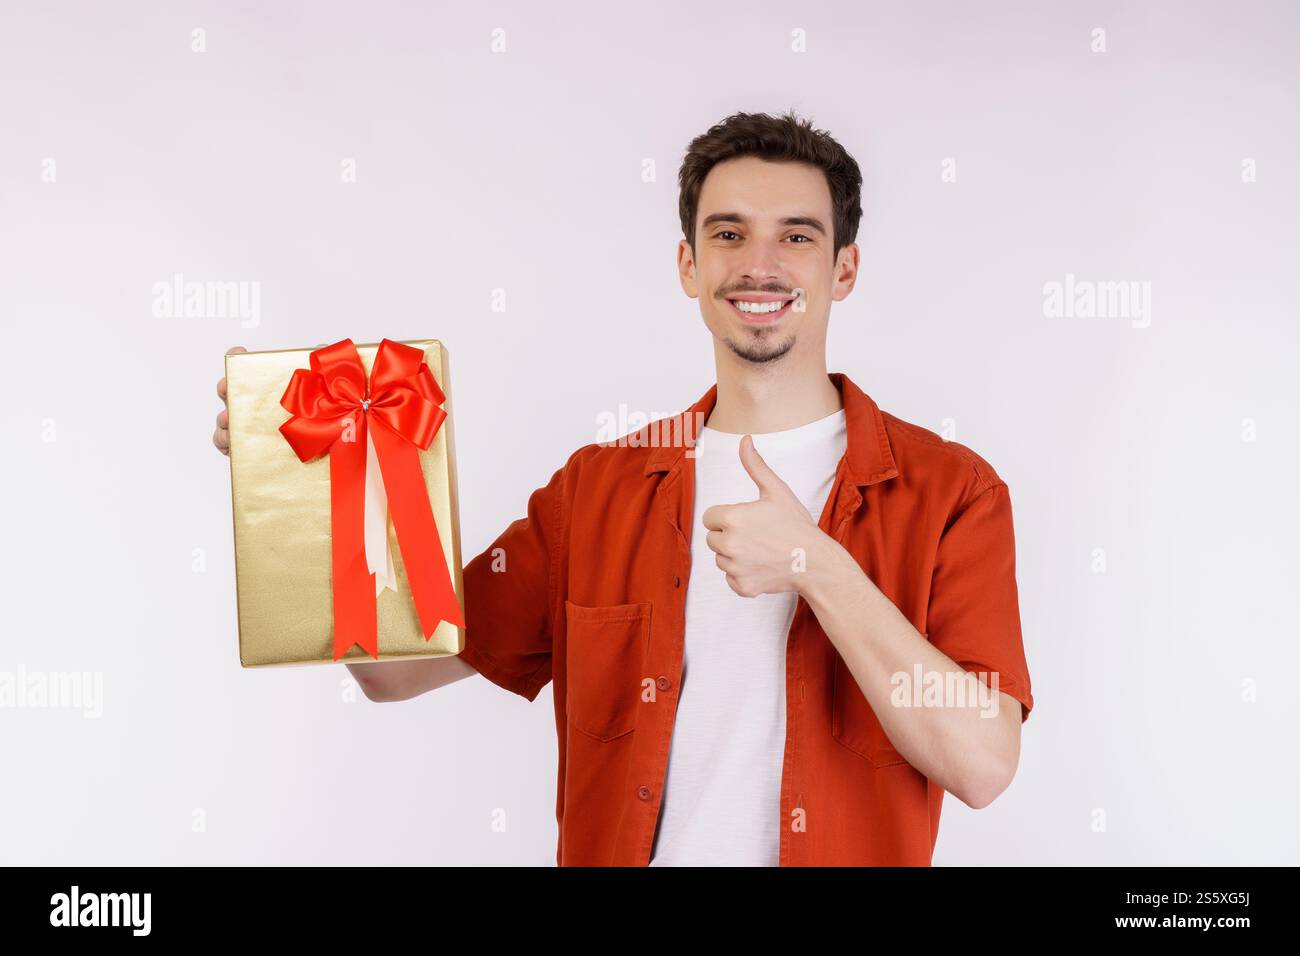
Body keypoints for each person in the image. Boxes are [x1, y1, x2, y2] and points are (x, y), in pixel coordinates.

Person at [212, 110, 1034, 866]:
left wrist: (816, 566)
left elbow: (984, 762)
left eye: (796, 237)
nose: (759, 264)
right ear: (688, 264)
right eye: (728, 233)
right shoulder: (595, 492)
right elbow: (394, 671)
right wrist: (304, 488)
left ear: (843, 269)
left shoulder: (949, 492)